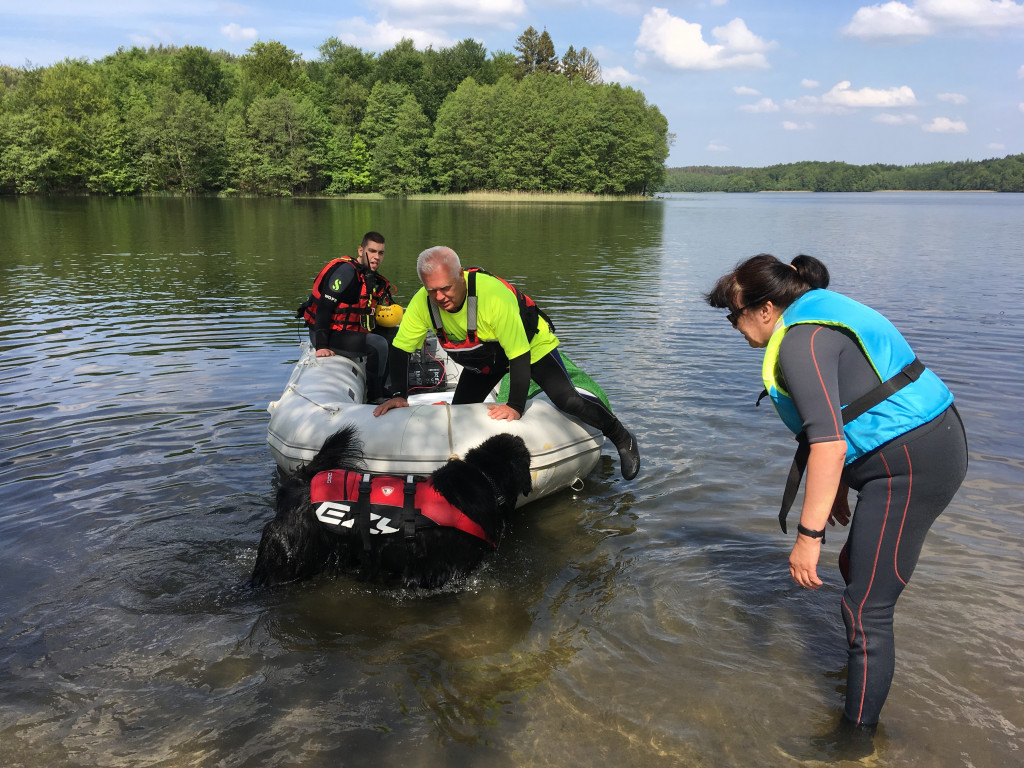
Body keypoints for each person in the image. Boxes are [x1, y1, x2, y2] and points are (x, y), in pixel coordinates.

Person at [705, 253, 968, 750]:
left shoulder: (801, 342)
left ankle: (856, 742)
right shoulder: (817, 314)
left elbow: (828, 442)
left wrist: (809, 537)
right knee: (858, 568)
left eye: (733, 314)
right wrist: (843, 485)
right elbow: (856, 401)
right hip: (919, 447)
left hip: (910, 465)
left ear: (764, 309)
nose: (733, 327)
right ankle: (861, 675)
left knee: (867, 607)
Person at [373, 246, 641, 480]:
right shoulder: (423, 302)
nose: (440, 297)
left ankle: (621, 436)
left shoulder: (492, 296)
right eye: (433, 291)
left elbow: (518, 355)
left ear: (460, 276)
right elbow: (400, 349)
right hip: (485, 357)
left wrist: (515, 405)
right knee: (459, 414)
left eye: (446, 288)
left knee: (567, 399)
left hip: (529, 347)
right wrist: (399, 394)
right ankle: (472, 473)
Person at [299, 231, 395, 401]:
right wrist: (321, 345)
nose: (376, 257)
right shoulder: (345, 273)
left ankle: (391, 391)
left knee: (394, 335)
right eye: (372, 251)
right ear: (360, 250)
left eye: (381, 253)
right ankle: (375, 396)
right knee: (377, 344)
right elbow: (324, 308)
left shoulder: (367, 275)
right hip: (327, 334)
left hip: (345, 330)